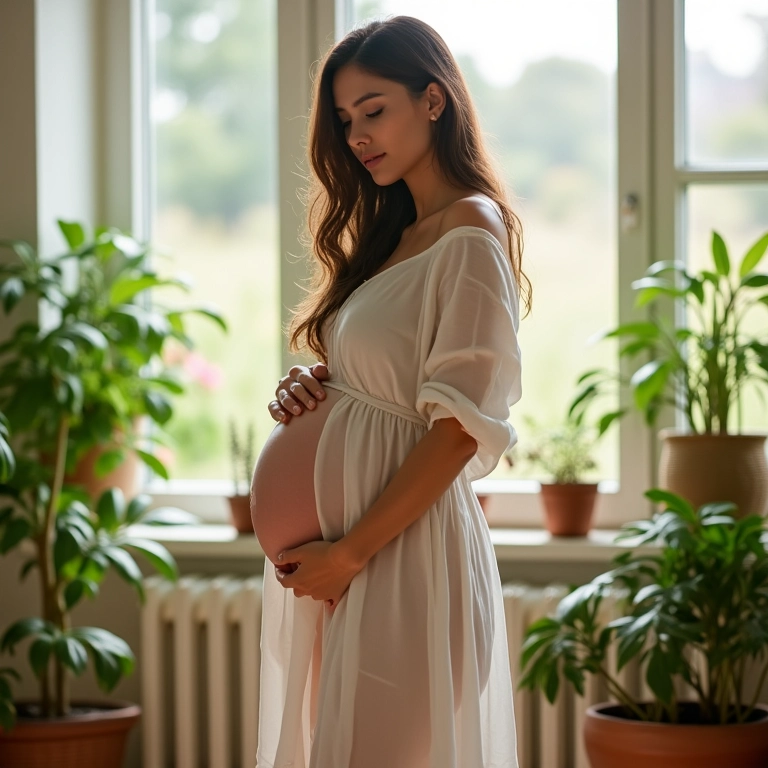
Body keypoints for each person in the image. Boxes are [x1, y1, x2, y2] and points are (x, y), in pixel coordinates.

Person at [257, 15, 530, 768]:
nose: (358, 136)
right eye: (346, 122)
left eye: (374, 110)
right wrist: (318, 385)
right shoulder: (399, 235)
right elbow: (389, 383)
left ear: (434, 101)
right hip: (355, 562)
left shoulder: (469, 234)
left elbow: (459, 430)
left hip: (402, 560)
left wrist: (348, 554)